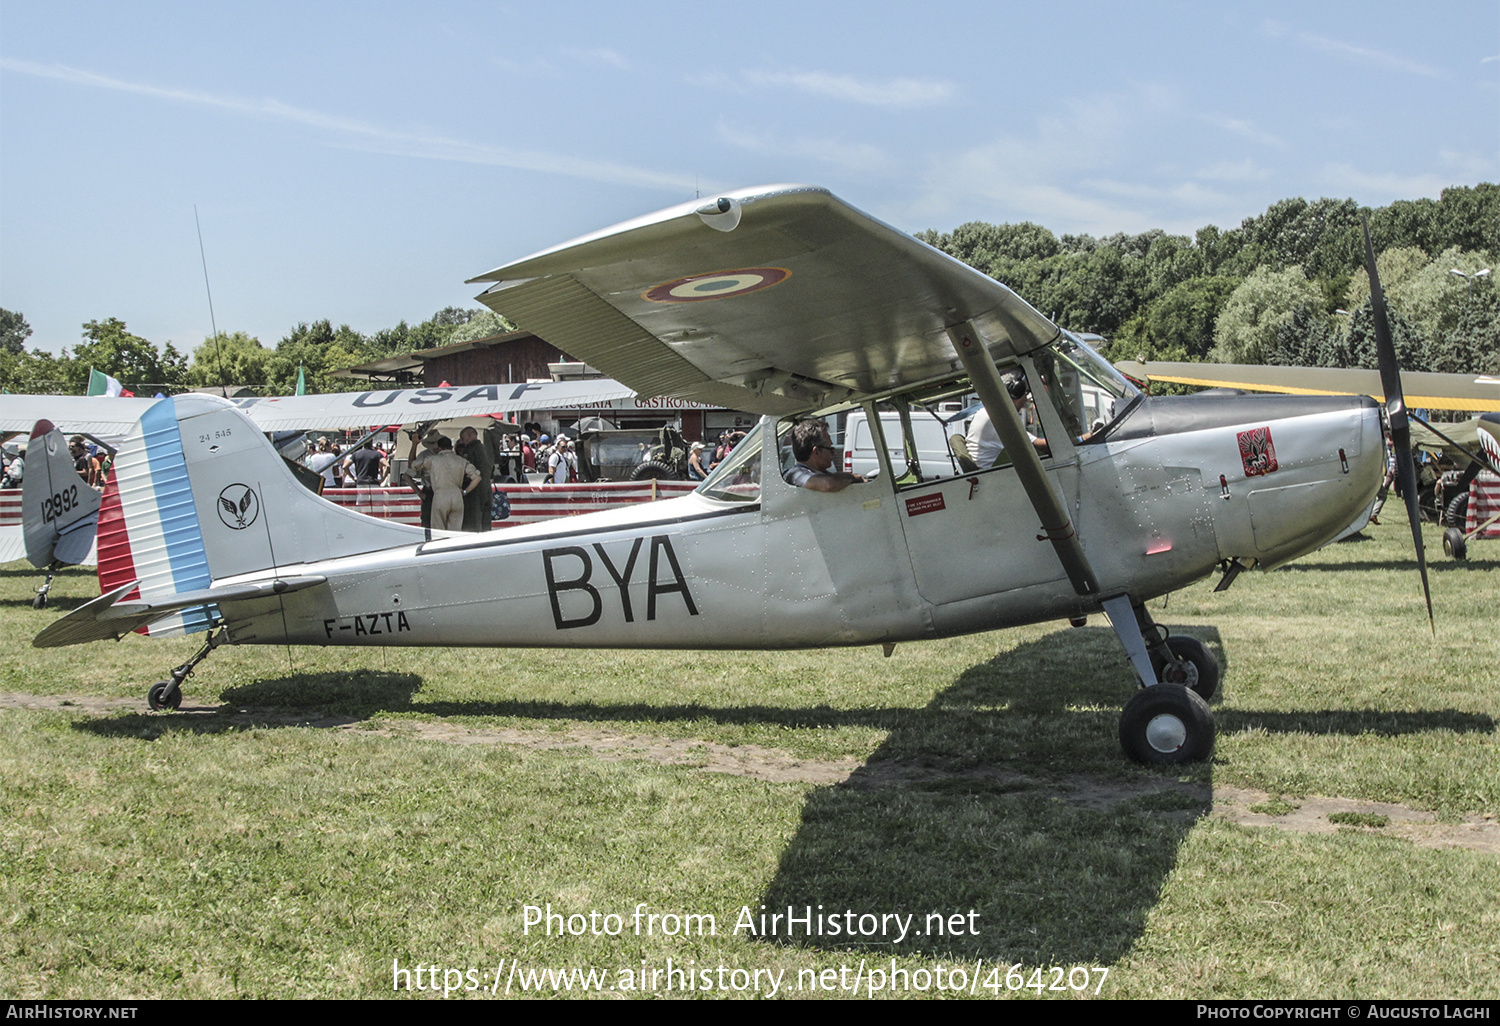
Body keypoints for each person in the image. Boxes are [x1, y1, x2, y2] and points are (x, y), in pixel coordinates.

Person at [966, 372, 1050, 469]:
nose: (1025, 400)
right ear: (1015, 393)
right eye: (1024, 394)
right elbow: (1041, 446)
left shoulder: (987, 411)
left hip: (987, 470)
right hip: (994, 473)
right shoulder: (1001, 417)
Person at [411, 435, 480, 532]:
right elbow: (477, 478)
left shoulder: (432, 460)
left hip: (440, 495)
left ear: (439, 448)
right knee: (455, 531)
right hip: (457, 495)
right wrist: (465, 491)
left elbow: (413, 465)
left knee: (438, 530)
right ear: (451, 447)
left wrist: (414, 444)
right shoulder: (461, 460)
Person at [782, 418, 866, 493]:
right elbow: (828, 485)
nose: (833, 452)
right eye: (830, 448)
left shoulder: (820, 473)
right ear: (816, 452)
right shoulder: (795, 474)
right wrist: (854, 477)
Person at [457, 426, 494, 532]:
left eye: (463, 438)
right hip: (486, 489)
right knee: (486, 524)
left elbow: (466, 470)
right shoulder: (486, 449)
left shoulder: (471, 450)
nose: (463, 442)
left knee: (473, 524)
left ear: (469, 437)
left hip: (474, 491)